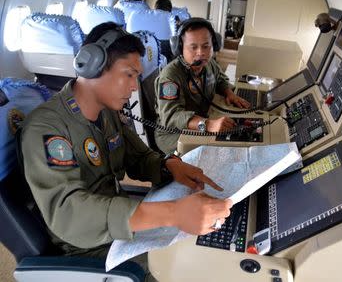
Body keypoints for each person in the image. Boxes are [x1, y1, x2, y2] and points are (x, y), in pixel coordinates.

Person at [20, 22, 232, 281]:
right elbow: (69, 211)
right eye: (129, 74)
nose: (135, 87)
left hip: (122, 225)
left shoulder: (107, 113)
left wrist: (169, 165)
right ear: (93, 64)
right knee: (187, 268)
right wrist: (173, 212)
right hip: (87, 247)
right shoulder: (47, 127)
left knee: (208, 248)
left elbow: (140, 158)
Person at [153, 17, 250, 154]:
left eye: (206, 46)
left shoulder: (208, 64)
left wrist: (229, 93)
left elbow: (220, 78)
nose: (201, 53)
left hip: (202, 119)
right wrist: (208, 124)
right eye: (193, 47)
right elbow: (171, 116)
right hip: (173, 134)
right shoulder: (170, 75)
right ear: (180, 48)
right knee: (220, 150)